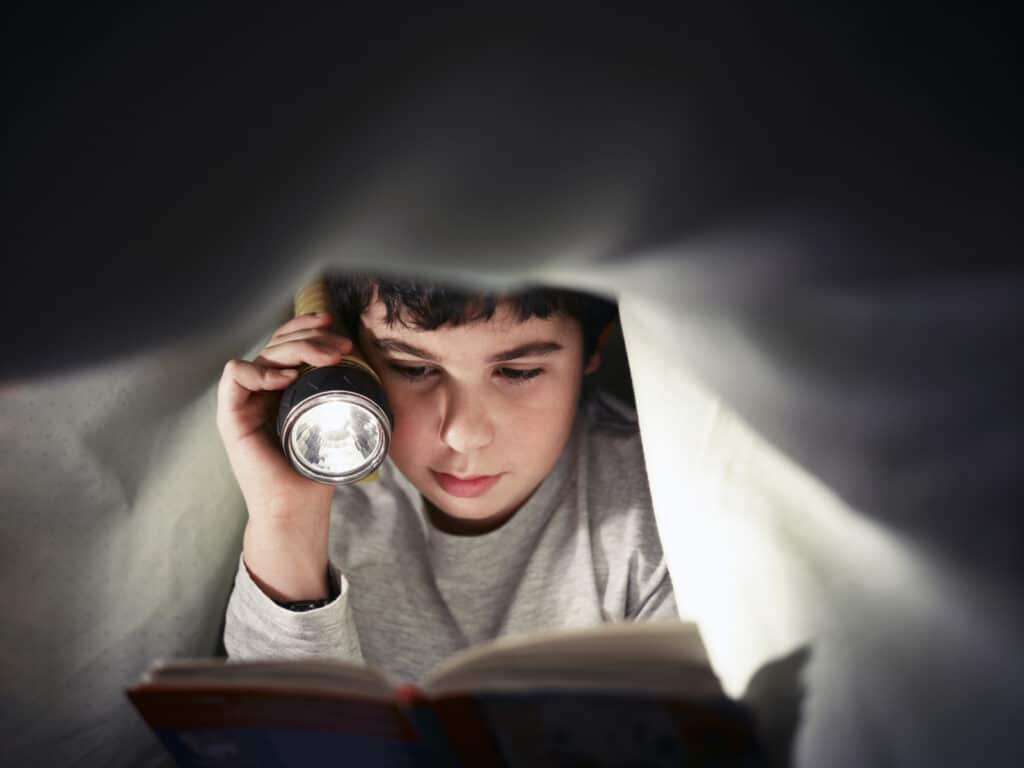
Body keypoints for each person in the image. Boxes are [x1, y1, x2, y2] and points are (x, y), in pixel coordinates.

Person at [218, 274, 677, 681]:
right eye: (414, 368)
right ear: (355, 353)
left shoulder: (663, 511)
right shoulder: (321, 501)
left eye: (518, 372)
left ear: (594, 349)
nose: (463, 435)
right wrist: (286, 523)